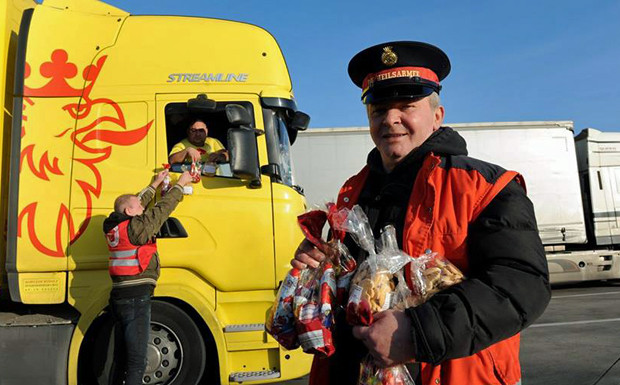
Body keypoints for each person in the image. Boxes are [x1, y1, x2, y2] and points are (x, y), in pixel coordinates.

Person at [292, 41, 551, 385]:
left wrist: (417, 333)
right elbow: (347, 281)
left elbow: (521, 284)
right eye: (379, 109)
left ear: (437, 116)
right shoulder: (351, 192)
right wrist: (317, 269)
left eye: (407, 106)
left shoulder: (487, 186)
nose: (390, 119)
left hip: (455, 374)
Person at [103, 170, 192, 385]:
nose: (144, 209)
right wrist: (180, 184)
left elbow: (136, 201)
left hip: (120, 296)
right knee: (137, 362)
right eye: (140, 208)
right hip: (135, 299)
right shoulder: (138, 227)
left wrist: (155, 184)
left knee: (122, 358)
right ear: (129, 211)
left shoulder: (116, 226)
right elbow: (162, 210)